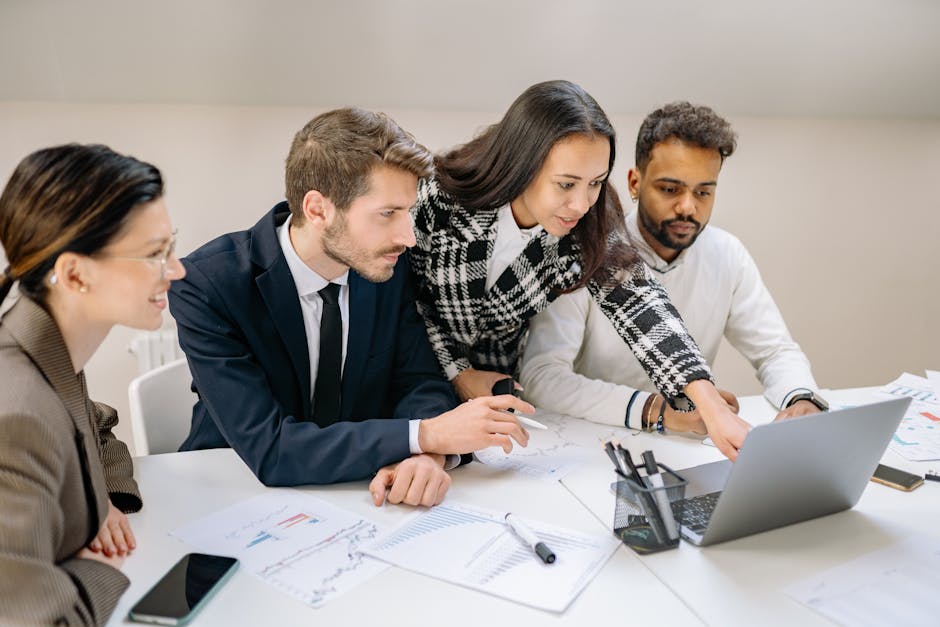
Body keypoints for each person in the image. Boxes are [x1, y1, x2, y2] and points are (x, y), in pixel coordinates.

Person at [169, 107, 531, 506]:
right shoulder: (208, 285)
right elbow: (271, 449)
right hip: (229, 496)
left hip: (357, 498)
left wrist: (427, 457)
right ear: (318, 209)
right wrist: (426, 435)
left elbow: (417, 379)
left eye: (407, 211)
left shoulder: (381, 263)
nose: (408, 238)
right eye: (388, 214)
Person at [410, 80, 751, 461]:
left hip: (499, 391)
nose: (580, 204)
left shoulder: (590, 219)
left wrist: (709, 404)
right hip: (415, 378)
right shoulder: (440, 199)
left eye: (595, 183)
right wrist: (457, 373)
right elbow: (406, 301)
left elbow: (641, 303)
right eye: (566, 184)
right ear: (522, 164)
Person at [520, 101, 826, 432]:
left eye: (704, 192)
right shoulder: (586, 250)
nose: (687, 206)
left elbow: (775, 351)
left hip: (688, 447)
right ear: (635, 183)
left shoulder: (727, 254)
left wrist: (801, 398)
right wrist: (656, 409)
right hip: (590, 445)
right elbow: (543, 376)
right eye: (670, 189)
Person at [0, 143, 181, 624]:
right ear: (75, 274)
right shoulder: (16, 414)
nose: (176, 270)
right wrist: (99, 569)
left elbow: (94, 427)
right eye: (154, 254)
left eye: (171, 246)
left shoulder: (49, 348)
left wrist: (102, 499)